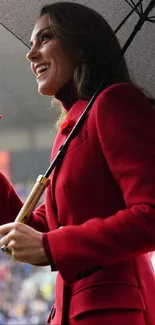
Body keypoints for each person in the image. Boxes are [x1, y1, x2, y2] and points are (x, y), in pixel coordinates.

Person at [0, 2, 155, 324]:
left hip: (114, 311)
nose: (31, 55)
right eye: (30, 44)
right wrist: (46, 241)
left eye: (45, 39)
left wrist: (51, 246)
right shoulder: (72, 128)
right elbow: (35, 227)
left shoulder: (115, 102)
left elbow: (151, 214)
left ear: (81, 45)